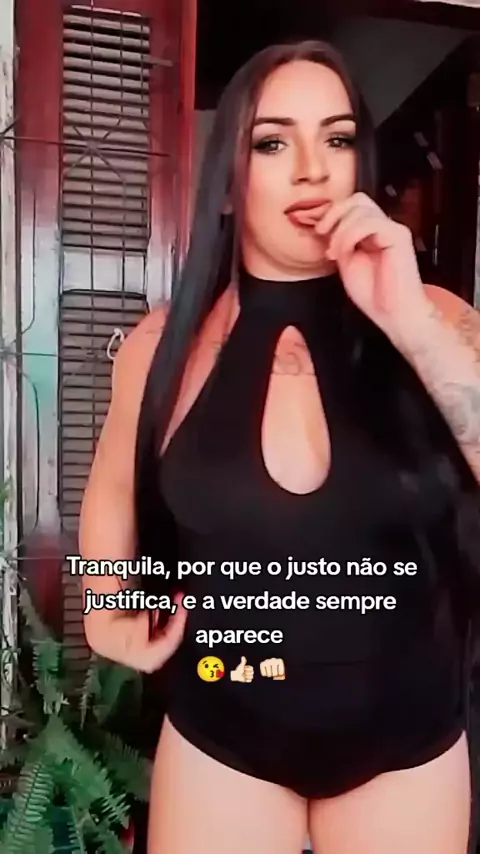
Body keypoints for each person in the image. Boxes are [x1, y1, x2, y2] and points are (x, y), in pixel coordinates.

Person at [79, 40, 480, 854]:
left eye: (337, 138)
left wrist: (408, 320)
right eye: (272, 142)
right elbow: (115, 488)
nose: (312, 169)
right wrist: (104, 600)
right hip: (224, 738)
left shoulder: (440, 319)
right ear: (229, 182)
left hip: (407, 745)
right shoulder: (163, 347)